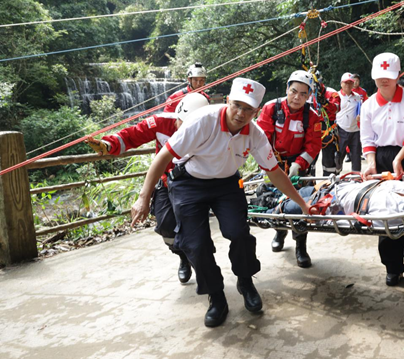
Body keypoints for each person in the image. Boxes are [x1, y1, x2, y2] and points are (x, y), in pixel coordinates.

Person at [130, 77, 311, 328]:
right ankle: (216, 297)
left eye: (248, 109)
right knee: (196, 244)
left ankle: (245, 281)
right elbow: (164, 156)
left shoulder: (255, 134)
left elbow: (274, 172)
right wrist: (144, 197)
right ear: (227, 101)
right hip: (190, 182)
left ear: (256, 112)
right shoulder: (203, 121)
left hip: (226, 184)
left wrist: (301, 202)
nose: (240, 113)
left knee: (239, 233)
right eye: (237, 105)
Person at [85, 93, 209, 284]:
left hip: (197, 183)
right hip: (168, 180)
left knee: (195, 229)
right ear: (177, 117)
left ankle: (204, 267)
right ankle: (181, 256)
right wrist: (108, 144)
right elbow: (133, 134)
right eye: (181, 124)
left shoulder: (212, 125)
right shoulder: (160, 123)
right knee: (166, 224)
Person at [360, 52, 404, 287]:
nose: (384, 81)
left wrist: (399, 159)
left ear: (398, 75)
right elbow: (367, 138)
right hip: (381, 158)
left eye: (388, 76)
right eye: (379, 76)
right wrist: (371, 164)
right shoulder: (368, 105)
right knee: (384, 213)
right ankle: (393, 266)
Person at [256, 70, 321, 268]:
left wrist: (299, 164)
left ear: (309, 95)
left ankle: (301, 245)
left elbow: (314, 145)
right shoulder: (271, 109)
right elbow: (261, 140)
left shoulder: (312, 116)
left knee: (302, 205)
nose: (297, 97)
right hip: (273, 163)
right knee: (275, 200)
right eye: (294, 91)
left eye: (303, 93)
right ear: (287, 89)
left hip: (300, 166)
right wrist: (269, 165)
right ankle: (279, 231)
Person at [337, 72, 363, 172]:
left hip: (355, 130)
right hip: (341, 129)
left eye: (350, 83)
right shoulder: (336, 96)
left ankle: (356, 178)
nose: (348, 85)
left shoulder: (357, 97)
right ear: (341, 84)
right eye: (346, 83)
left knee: (356, 155)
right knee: (339, 155)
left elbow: (360, 109)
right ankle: (337, 174)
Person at [320, 84, 341, 176]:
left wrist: (326, 103)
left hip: (328, 127)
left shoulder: (332, 93)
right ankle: (309, 185)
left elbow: (336, 108)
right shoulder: (304, 92)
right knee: (309, 162)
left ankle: (329, 181)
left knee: (329, 159)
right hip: (310, 127)